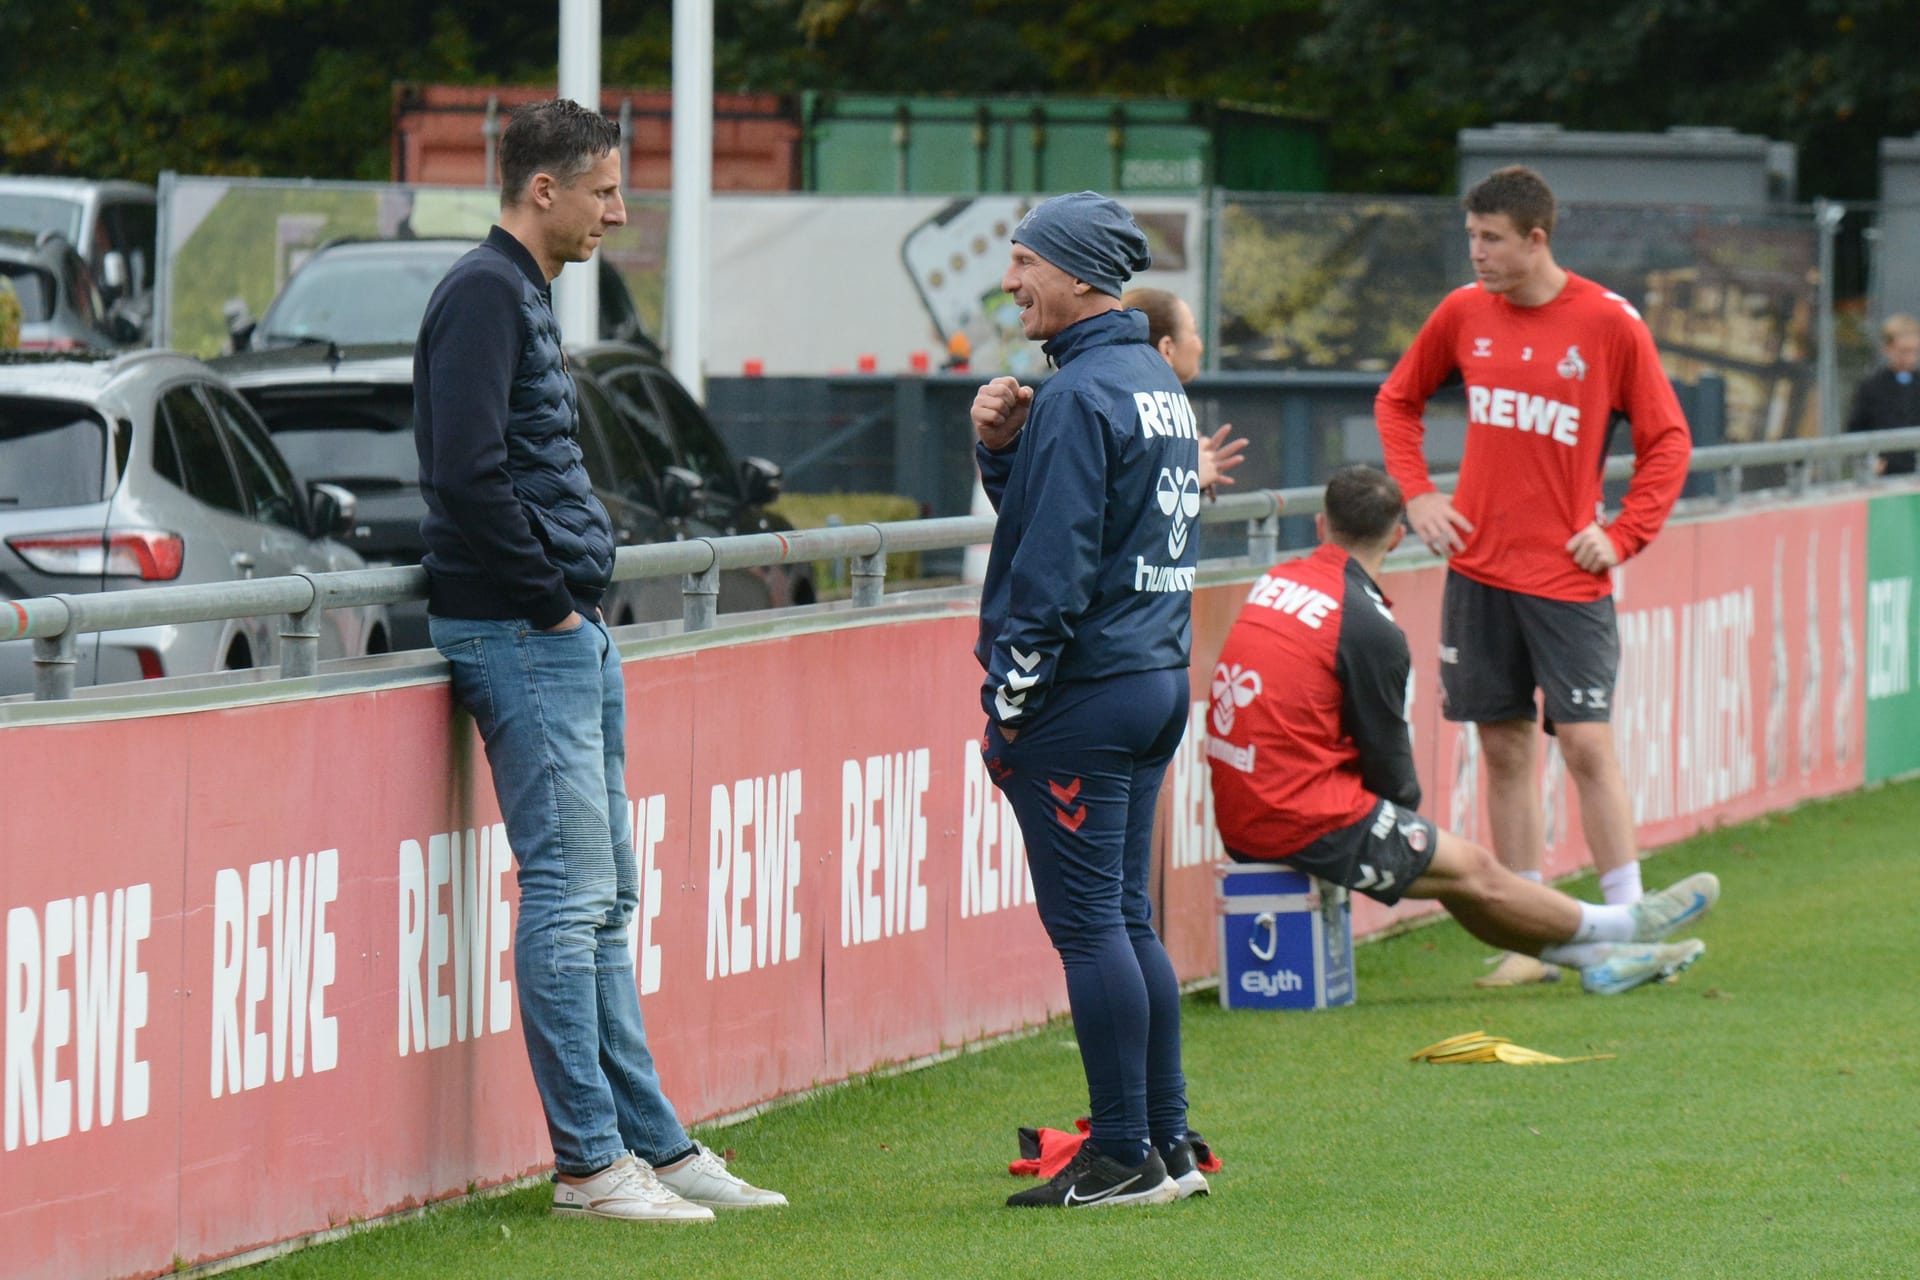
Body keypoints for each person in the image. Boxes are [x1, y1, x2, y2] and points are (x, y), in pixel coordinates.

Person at [414, 98, 785, 1223]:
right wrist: (549, 605)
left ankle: (653, 1145)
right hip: (528, 633)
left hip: (560, 627)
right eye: (606, 191)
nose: (617, 214)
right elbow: (467, 472)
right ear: (545, 190)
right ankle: (588, 1162)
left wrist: (571, 609)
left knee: (607, 898)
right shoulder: (483, 293)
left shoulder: (512, 291)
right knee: (574, 900)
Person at [1207, 466, 1717, 995]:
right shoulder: (1368, 625)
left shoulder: (1276, 581)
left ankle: (1598, 963)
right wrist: (1403, 820)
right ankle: (1624, 923)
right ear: (1398, 535)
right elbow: (1393, 772)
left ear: (1319, 526)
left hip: (1243, 809)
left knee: (1454, 878)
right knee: (1472, 868)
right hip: (1296, 814)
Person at [1375, 165, 1692, 988]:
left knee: (1586, 744)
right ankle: (1535, 938)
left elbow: (1668, 441)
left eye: (1490, 239)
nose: (1475, 252)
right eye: (1471, 236)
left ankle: (1627, 918)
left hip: (1567, 575)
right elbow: (1398, 401)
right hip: (1478, 571)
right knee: (1505, 748)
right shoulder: (1461, 312)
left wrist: (1623, 535)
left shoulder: (1608, 323)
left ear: (1536, 240)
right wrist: (1419, 495)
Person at [972, 191, 1201, 1209]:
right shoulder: (1150, 375)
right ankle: (1166, 1140)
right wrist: (1002, 453)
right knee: (1126, 916)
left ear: (1076, 272)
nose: (1012, 281)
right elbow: (1075, 520)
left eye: (1024, 262)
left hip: (1089, 687)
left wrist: (1010, 702)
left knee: (1089, 926)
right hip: (1153, 675)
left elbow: (1053, 567)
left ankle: (1118, 1155)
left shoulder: (1078, 392)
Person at [1122, 286, 1247, 494]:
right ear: (1167, 348)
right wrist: (1189, 475)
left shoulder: (1116, 401)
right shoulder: (1131, 413)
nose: (1200, 346)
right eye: (1194, 332)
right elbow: (1127, 506)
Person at [1843, 312, 1920, 475]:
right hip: (1885, 478)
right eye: (1904, 351)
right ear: (1888, 348)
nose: (1910, 358)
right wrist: (1868, 461)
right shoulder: (1871, 387)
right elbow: (1855, 430)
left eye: (1914, 351)